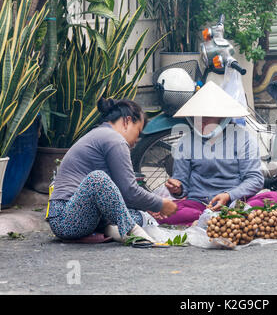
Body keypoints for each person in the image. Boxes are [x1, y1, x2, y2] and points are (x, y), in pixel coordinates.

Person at [47, 98, 178, 246]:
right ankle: (133, 232)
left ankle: (111, 229)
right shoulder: (113, 139)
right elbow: (129, 191)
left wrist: (146, 206)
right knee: (98, 178)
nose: (136, 140)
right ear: (127, 121)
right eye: (138, 132)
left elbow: (117, 195)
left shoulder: (102, 134)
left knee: (141, 217)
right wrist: (159, 203)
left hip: (85, 216)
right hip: (66, 219)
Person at [155, 81, 277, 226]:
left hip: (236, 203)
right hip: (199, 205)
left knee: (275, 198)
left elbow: (254, 180)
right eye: (197, 117)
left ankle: (217, 219)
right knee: (165, 212)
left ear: (223, 117)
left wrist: (229, 196)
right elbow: (181, 185)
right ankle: (226, 220)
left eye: (207, 117)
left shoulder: (243, 138)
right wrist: (177, 189)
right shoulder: (185, 142)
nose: (201, 122)